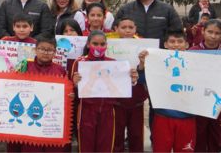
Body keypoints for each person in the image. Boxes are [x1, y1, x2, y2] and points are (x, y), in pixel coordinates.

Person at [71, 30, 138, 152]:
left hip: (108, 111)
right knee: (86, 146)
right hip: (86, 111)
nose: (99, 47)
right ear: (88, 44)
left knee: (105, 146)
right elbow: (72, 90)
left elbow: (121, 87)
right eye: (95, 43)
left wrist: (132, 79)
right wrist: (74, 84)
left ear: (107, 45)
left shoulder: (113, 63)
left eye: (102, 44)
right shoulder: (80, 62)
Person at [7, 35, 72, 152]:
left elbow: (66, 93)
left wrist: (69, 95)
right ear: (35, 50)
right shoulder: (24, 66)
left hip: (50, 121)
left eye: (49, 50)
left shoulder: (60, 70)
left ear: (55, 52)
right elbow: (11, 85)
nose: (45, 52)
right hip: (27, 118)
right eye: (42, 49)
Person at [138, 31, 196, 152]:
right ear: (165, 44)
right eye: (172, 41)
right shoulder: (156, 62)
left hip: (187, 118)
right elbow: (142, 80)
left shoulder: (196, 63)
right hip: (162, 117)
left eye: (180, 41)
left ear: (186, 44)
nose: (176, 45)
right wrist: (143, 64)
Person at [108, 18, 148, 153]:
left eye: (131, 27)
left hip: (136, 99)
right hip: (117, 100)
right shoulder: (109, 46)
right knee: (116, 135)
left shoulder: (144, 47)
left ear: (135, 29)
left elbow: (145, 78)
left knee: (136, 135)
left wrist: (142, 64)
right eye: (123, 27)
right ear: (116, 29)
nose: (127, 30)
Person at [189, 19, 221, 152]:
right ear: (203, 31)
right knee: (199, 135)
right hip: (199, 102)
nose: (213, 36)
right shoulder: (192, 52)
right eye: (210, 32)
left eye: (218, 33)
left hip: (218, 103)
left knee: (217, 137)